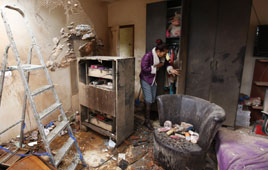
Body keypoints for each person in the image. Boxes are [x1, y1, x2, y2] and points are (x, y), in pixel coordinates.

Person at [140, 39, 179, 130]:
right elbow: (144, 69)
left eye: (166, 53)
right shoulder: (148, 56)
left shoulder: (161, 56)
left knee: (152, 98)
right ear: (158, 51)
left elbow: (166, 63)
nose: (165, 55)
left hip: (153, 79)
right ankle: (146, 121)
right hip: (145, 79)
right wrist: (156, 66)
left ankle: (147, 112)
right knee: (149, 99)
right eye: (164, 53)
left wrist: (171, 69)